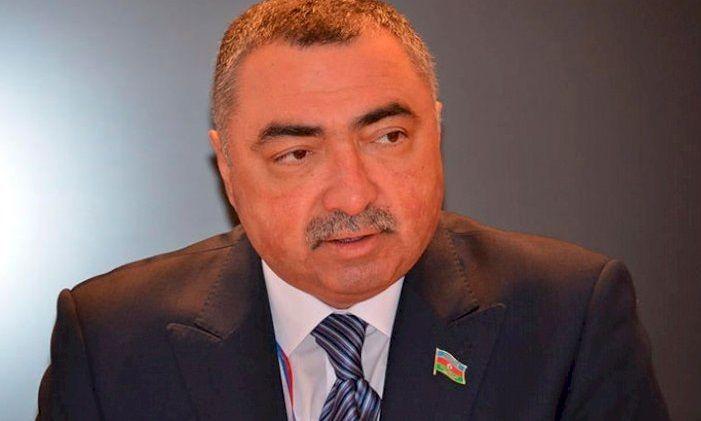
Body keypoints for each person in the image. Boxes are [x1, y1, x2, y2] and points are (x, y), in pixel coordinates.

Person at [37, 0, 669, 420]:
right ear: (227, 167)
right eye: (296, 154)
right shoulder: (112, 339)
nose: (353, 196)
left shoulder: (569, 317)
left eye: (388, 138)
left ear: (435, 133)